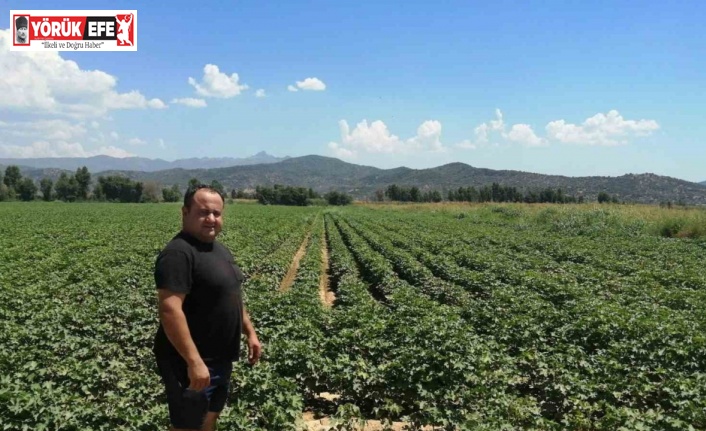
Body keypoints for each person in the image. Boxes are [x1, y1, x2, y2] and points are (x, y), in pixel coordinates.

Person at [153, 185, 261, 431]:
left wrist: (250, 332)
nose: (211, 219)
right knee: (188, 425)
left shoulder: (219, 250)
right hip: (190, 361)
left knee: (210, 417)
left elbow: (232, 296)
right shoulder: (178, 254)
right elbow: (170, 310)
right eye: (203, 212)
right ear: (185, 212)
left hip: (220, 357)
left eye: (217, 213)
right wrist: (194, 361)